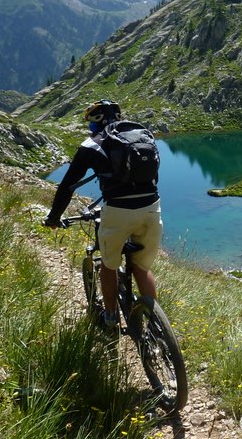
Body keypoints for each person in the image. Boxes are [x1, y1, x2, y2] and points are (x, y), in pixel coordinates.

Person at [44, 99, 163, 329]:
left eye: (90, 122)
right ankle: (155, 325)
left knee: (109, 266)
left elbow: (68, 185)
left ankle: (110, 318)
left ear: (96, 121)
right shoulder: (142, 135)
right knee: (141, 267)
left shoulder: (91, 145)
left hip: (118, 211)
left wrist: (54, 217)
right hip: (152, 207)